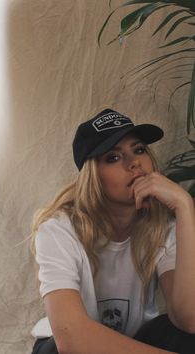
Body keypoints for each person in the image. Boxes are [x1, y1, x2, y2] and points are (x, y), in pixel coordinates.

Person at [30, 108, 195, 354]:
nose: (134, 163)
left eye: (139, 150)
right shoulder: (59, 230)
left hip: (136, 341)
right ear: (92, 176)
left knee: (186, 337)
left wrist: (185, 206)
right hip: (72, 346)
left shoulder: (161, 226)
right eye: (113, 158)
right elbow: (72, 340)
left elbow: (189, 318)